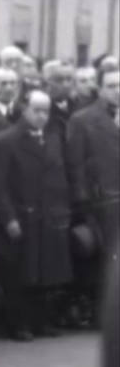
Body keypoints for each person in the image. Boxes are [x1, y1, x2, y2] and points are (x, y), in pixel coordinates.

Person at [0, 90, 74, 340]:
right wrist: (9, 218)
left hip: (50, 215)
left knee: (46, 272)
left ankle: (41, 321)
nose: (41, 116)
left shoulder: (54, 138)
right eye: (36, 110)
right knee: (21, 273)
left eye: (45, 111)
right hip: (22, 215)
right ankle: (18, 324)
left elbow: (60, 177)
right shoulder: (5, 141)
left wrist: (62, 210)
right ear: (23, 110)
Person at [66, 69, 120, 316]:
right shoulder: (82, 120)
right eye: (111, 85)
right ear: (100, 88)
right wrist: (83, 203)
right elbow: (75, 165)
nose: (117, 91)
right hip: (103, 202)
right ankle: (105, 314)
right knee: (107, 260)